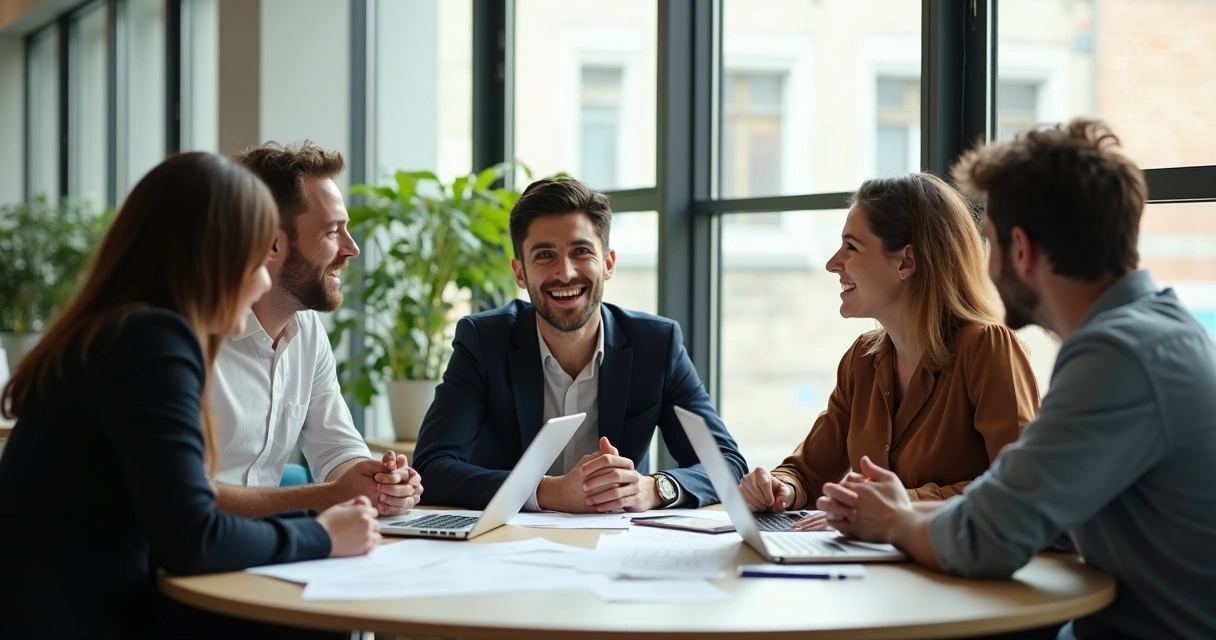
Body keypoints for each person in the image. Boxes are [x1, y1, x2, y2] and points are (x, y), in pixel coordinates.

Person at [816, 119, 1216, 640]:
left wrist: (893, 518)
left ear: (1021, 249)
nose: (980, 265)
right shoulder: (1154, 334)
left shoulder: (1118, 354)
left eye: (988, 242)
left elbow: (990, 535)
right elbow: (1036, 509)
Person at [0, 152, 380, 638]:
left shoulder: (123, 331)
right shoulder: (151, 342)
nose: (264, 277)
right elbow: (194, 536)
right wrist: (323, 533)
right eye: (257, 254)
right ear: (214, 254)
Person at [412, 177, 747, 512]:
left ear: (608, 263)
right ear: (520, 273)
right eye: (544, 255)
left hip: (620, 544)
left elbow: (727, 464)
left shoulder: (656, 345)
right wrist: (551, 492)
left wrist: (654, 488)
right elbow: (432, 467)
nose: (565, 272)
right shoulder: (484, 341)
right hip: (507, 546)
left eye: (581, 251)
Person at [739, 173, 1040, 529]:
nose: (833, 263)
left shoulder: (988, 349)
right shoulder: (862, 359)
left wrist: (890, 506)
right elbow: (808, 471)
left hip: (954, 573)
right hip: (875, 571)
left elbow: (1022, 489)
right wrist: (780, 487)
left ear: (906, 262)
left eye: (851, 246)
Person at [212, 141, 422, 519]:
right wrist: (324, 497)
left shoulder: (306, 331)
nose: (352, 248)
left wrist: (379, 482)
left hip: (260, 547)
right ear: (271, 243)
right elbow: (179, 496)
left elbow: (336, 448)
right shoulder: (190, 339)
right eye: (331, 232)